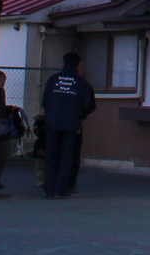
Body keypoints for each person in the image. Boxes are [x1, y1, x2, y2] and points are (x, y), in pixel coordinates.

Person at [41, 52, 96, 199]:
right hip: (71, 123)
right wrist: (80, 115)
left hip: (52, 122)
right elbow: (88, 104)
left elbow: (45, 101)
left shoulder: (53, 80)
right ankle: (61, 189)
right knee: (67, 156)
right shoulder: (81, 82)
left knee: (51, 155)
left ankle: (48, 189)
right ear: (77, 65)